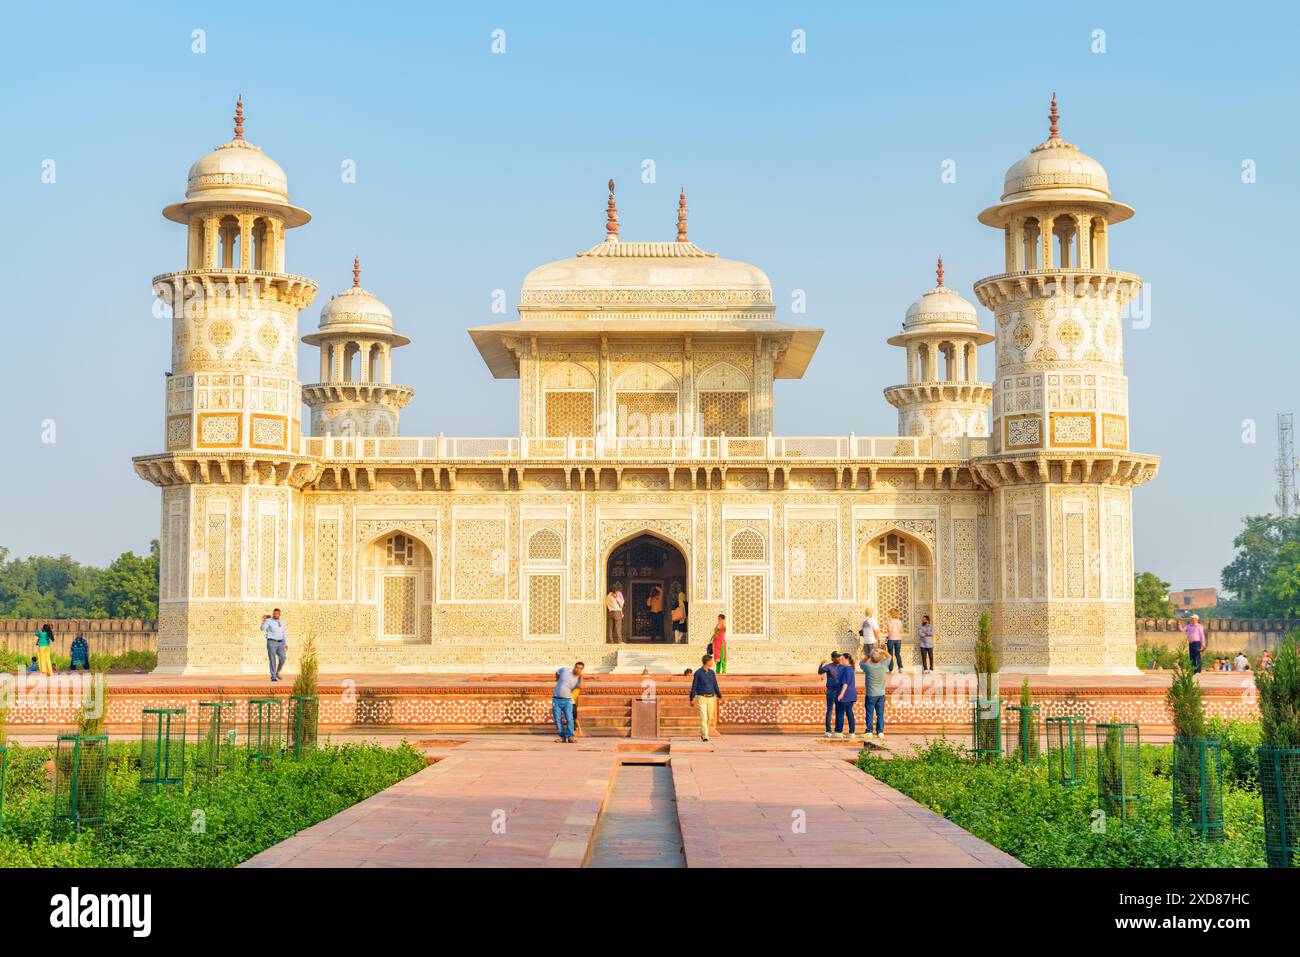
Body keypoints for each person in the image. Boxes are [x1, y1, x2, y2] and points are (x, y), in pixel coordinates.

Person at [860, 645, 891, 741]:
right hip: (881, 694)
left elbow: (861, 662)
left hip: (871, 694)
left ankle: (869, 731)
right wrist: (881, 651)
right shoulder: (883, 666)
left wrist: (869, 654)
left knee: (869, 713)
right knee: (880, 714)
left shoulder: (868, 667)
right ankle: (880, 732)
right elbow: (889, 657)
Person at [689, 654, 722, 742]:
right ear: (707, 662)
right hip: (702, 697)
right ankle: (705, 735)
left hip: (711, 697)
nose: (712, 663)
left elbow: (715, 685)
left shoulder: (711, 673)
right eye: (711, 661)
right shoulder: (698, 673)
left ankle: (704, 732)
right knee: (703, 717)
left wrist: (719, 695)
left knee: (709, 717)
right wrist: (691, 698)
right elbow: (694, 686)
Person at [552, 661, 584, 743]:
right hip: (556, 699)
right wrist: (557, 680)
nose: (578, 669)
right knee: (557, 719)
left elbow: (581, 687)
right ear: (574, 667)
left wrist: (581, 677)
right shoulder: (565, 670)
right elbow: (557, 672)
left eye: (580, 668)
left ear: (582, 670)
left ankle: (570, 736)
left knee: (569, 719)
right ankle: (562, 737)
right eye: (577, 667)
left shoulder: (578, 680)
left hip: (568, 700)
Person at [818, 652, 843, 738]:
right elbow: (820, 672)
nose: (839, 658)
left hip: (839, 691)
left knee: (839, 711)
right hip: (831, 691)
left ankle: (837, 730)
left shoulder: (842, 666)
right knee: (830, 710)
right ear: (832, 658)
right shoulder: (829, 666)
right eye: (837, 657)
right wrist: (821, 664)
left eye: (839, 657)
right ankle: (828, 730)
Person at [260, 608, 288, 682]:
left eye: (277, 614)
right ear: (273, 614)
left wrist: (285, 643)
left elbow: (283, 632)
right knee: (272, 659)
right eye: (274, 614)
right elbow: (262, 628)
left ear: (279, 614)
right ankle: (273, 676)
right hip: (272, 642)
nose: (275, 615)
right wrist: (263, 621)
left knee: (283, 658)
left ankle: (277, 672)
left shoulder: (282, 621)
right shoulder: (269, 621)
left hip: (281, 642)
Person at [835, 653, 858, 738]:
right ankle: (852, 732)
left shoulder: (847, 669)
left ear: (847, 659)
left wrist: (841, 693)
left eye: (842, 659)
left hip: (846, 695)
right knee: (849, 713)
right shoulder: (850, 668)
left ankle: (839, 731)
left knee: (841, 713)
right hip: (851, 695)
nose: (840, 661)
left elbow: (846, 683)